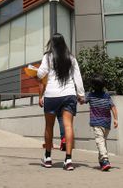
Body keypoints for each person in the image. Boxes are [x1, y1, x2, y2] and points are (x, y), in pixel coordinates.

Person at [36, 33, 85, 171]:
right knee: (68, 126)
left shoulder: (48, 57)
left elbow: (40, 74)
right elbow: (78, 78)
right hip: (69, 95)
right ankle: (68, 160)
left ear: (52, 43)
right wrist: (80, 95)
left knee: (49, 126)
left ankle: (48, 158)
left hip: (51, 95)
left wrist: (36, 73)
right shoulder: (71, 58)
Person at [85, 75, 118, 171]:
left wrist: (79, 97)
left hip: (96, 122)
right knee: (102, 141)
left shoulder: (91, 95)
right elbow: (113, 107)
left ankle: (105, 159)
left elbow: (83, 101)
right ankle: (102, 160)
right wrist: (116, 119)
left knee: (100, 141)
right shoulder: (107, 96)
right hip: (107, 123)